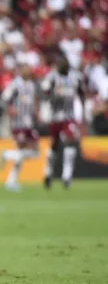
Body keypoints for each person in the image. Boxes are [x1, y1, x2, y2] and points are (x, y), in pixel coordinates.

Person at [41, 55, 85, 189]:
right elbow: (44, 91)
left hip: (69, 116)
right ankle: (48, 172)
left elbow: (81, 93)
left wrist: (81, 113)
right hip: (55, 116)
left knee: (70, 141)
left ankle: (67, 176)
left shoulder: (75, 78)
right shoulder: (52, 77)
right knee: (54, 144)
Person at [0, 63, 39, 191]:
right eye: (26, 68)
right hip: (18, 123)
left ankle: (7, 155)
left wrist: (35, 110)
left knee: (34, 152)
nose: (29, 70)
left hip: (28, 123)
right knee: (21, 150)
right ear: (20, 70)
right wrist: (10, 109)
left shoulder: (31, 85)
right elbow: (4, 97)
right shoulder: (15, 84)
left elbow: (32, 101)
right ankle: (11, 181)